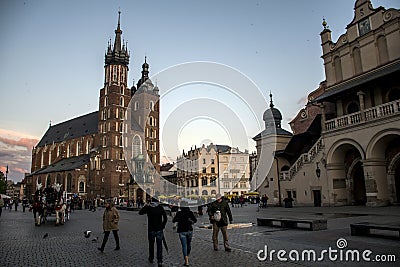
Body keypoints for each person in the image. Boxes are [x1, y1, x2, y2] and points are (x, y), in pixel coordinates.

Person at [139, 197, 167, 267]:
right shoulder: (160, 208)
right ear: (158, 201)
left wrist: (146, 205)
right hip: (159, 230)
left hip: (151, 229)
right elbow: (165, 218)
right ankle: (159, 261)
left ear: (151, 201)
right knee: (159, 246)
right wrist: (162, 225)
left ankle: (151, 257)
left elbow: (140, 212)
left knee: (151, 245)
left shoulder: (149, 208)